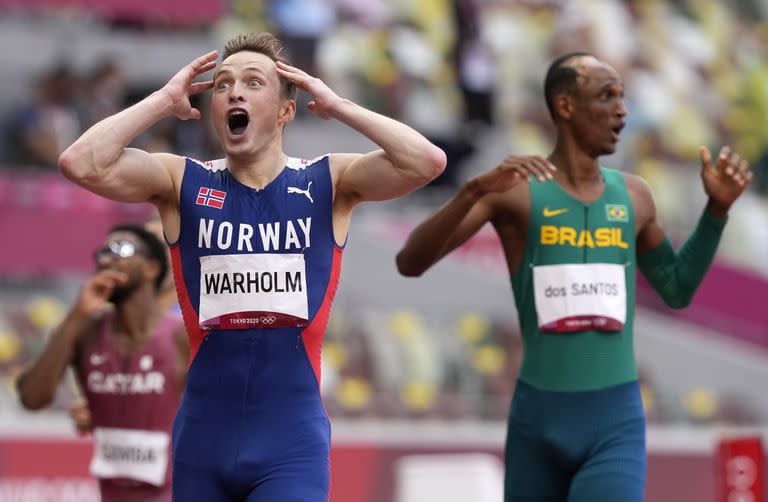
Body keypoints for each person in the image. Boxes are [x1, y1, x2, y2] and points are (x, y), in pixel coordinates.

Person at [57, 32, 446, 501]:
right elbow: (81, 163)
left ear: (285, 110)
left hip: (291, 445)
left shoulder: (330, 180)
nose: (234, 91)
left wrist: (339, 105)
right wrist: (162, 100)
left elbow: (426, 161)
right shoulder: (182, 181)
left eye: (253, 82)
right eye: (222, 84)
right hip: (203, 441)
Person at [396, 52, 751, 502]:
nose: (622, 110)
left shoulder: (635, 196)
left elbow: (676, 289)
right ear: (564, 106)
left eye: (623, 97)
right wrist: (473, 190)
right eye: (606, 96)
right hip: (536, 422)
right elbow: (410, 262)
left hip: (614, 423)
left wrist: (716, 211)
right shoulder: (514, 193)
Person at [17, 224, 188, 502]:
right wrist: (77, 314)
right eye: (102, 252)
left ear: (151, 269)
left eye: (121, 250)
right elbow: (32, 398)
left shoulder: (180, 336)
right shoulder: (83, 332)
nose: (106, 259)